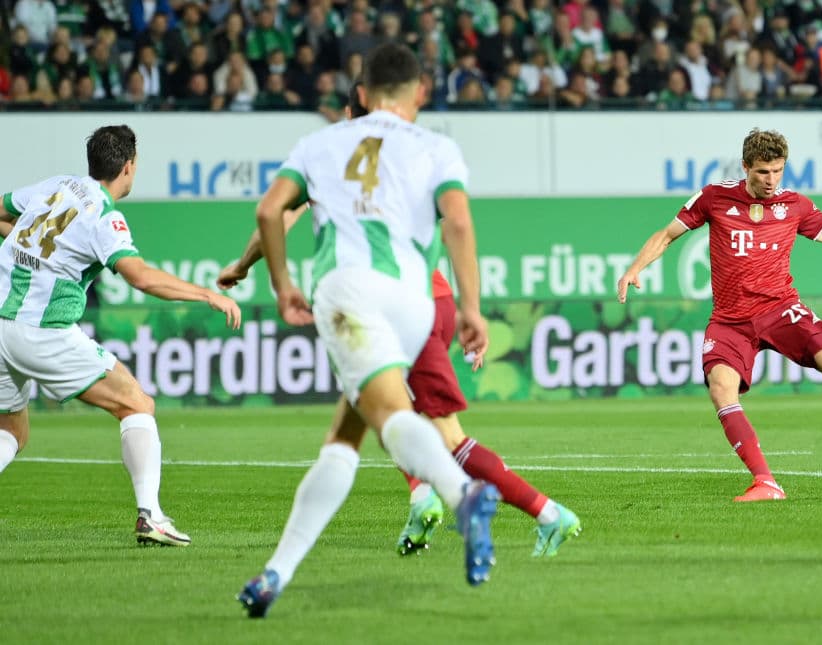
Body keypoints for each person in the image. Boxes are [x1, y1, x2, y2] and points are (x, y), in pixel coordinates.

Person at [235, 43, 499, 619]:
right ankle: (274, 575)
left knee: (385, 417)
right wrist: (473, 307)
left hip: (350, 293)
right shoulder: (438, 146)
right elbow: (457, 221)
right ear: (421, 93)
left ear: (360, 93)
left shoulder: (320, 142)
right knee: (344, 437)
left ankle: (463, 495)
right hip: (414, 303)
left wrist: (281, 285)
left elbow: (268, 211)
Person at [616, 128, 822, 503]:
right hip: (730, 321)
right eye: (762, 172)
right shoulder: (714, 197)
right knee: (720, 389)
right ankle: (766, 482)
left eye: (778, 171)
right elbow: (666, 235)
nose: (771, 180)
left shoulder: (795, 205)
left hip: (781, 310)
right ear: (745, 167)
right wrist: (634, 269)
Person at [0, 125, 241, 544]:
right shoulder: (103, 215)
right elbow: (141, 277)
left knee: (11, 431)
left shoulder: (55, 185)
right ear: (128, 167)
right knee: (137, 404)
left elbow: (4, 214)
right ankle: (151, 516)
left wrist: (35, 248)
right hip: (42, 331)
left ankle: (153, 516)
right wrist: (206, 294)